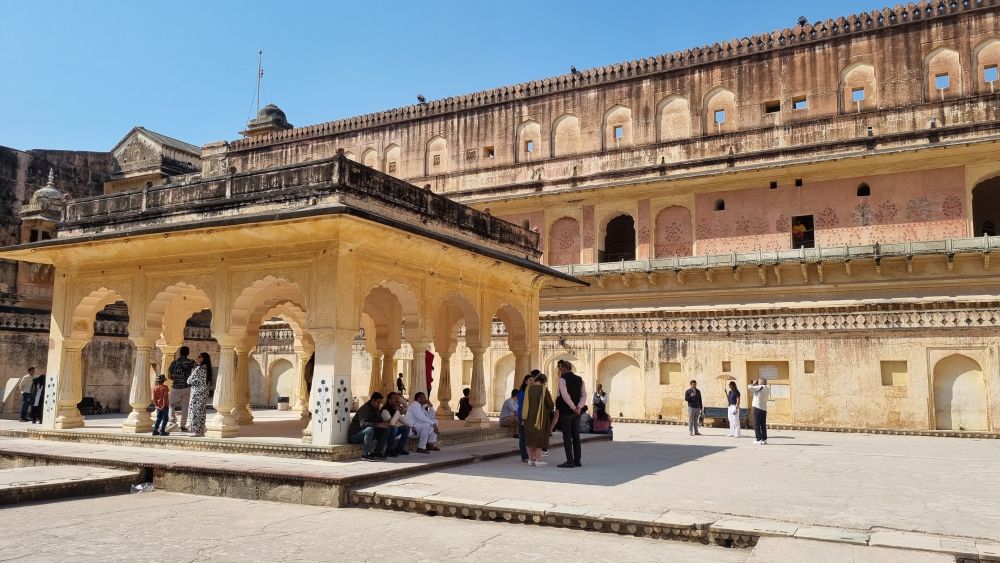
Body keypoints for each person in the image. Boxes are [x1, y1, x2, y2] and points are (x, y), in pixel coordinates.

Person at [555, 359, 586, 468]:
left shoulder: (562, 380)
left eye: (559, 368)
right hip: (576, 412)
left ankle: (570, 461)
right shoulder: (579, 379)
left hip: (566, 412)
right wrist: (579, 407)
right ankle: (577, 461)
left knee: (567, 437)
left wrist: (573, 407)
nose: (559, 370)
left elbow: (565, 395)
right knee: (576, 436)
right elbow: (584, 395)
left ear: (563, 367)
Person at [521, 373, 555, 466]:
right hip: (540, 419)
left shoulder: (528, 388)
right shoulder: (544, 389)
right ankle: (538, 460)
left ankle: (530, 460)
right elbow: (551, 405)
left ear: (536, 379)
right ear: (544, 381)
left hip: (527, 417)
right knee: (539, 438)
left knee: (530, 439)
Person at [349, 392, 389, 459]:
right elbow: (363, 424)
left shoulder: (376, 409)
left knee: (385, 429)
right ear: (373, 400)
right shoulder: (364, 409)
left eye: (380, 403)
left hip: (368, 433)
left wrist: (384, 423)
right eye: (378, 402)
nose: (379, 404)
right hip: (355, 435)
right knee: (369, 429)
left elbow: (380, 420)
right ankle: (365, 454)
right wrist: (378, 425)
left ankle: (377, 452)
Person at [166, 346, 195, 432]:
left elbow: (169, 375)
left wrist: (176, 380)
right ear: (188, 353)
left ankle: (172, 422)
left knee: (171, 405)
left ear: (180, 352)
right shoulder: (191, 362)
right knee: (185, 407)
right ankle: (183, 425)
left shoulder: (174, 363)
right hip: (187, 387)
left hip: (176, 387)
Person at [186, 352, 212, 437]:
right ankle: (200, 430)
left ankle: (195, 430)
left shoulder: (199, 368)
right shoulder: (208, 369)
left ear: (203, 358)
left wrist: (192, 377)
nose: (198, 358)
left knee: (194, 411)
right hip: (203, 393)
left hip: (196, 393)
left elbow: (189, 381)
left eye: (199, 357)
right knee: (201, 411)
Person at [381, 392, 411, 457]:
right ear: (389, 400)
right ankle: (389, 450)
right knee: (394, 427)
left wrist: (412, 426)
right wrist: (398, 410)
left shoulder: (394, 408)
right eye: (394, 398)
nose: (397, 400)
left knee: (406, 428)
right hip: (384, 434)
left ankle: (399, 448)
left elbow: (405, 422)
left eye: (398, 398)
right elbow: (391, 423)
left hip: (391, 433)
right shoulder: (385, 410)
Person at [516, 373, 535, 462]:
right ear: (525, 381)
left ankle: (530, 455)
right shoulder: (522, 392)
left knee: (530, 436)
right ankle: (524, 456)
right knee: (523, 437)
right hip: (523, 416)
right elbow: (521, 405)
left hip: (530, 416)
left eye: (533, 380)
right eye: (530, 380)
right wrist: (522, 417)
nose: (532, 382)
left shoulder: (531, 391)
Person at [749, 378, 770, 445]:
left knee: (757, 424)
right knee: (763, 425)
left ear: (762, 382)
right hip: (764, 408)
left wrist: (753, 383)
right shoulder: (767, 388)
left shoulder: (760, 387)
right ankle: (764, 439)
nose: (758, 382)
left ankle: (759, 439)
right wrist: (756, 384)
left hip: (758, 408)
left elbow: (749, 387)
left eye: (759, 381)